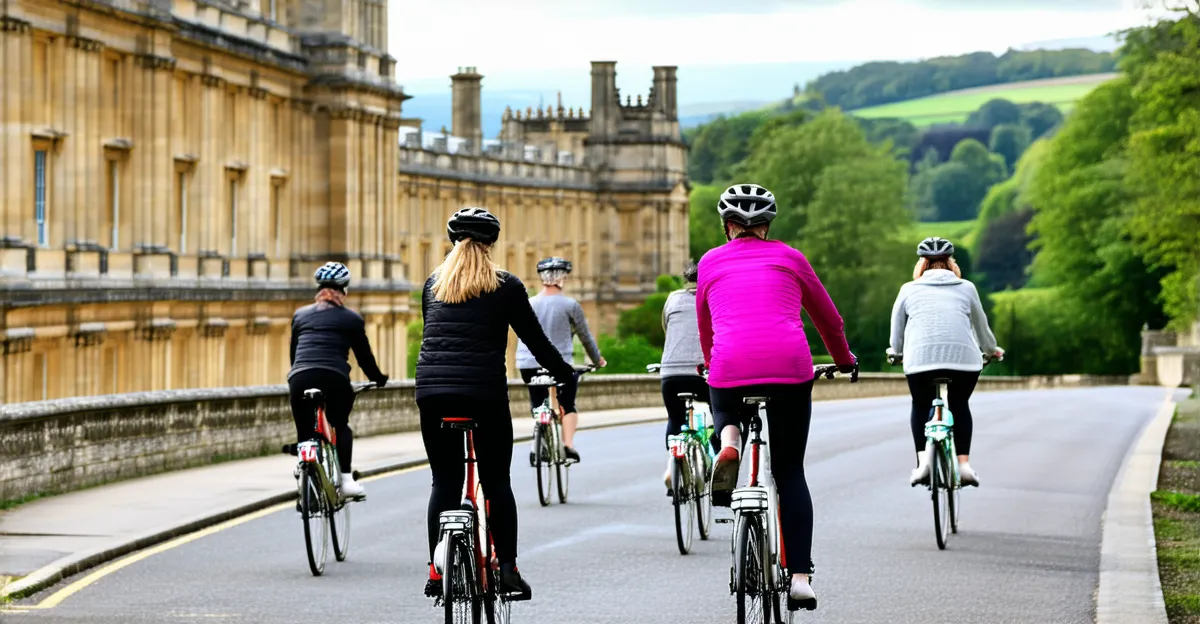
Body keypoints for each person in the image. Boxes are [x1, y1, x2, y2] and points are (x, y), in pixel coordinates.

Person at [697, 183, 857, 609]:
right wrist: (843, 361)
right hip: (789, 367)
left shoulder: (710, 262)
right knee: (789, 472)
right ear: (767, 226)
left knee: (722, 391)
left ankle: (728, 439)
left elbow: (707, 328)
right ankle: (801, 577)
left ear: (728, 226)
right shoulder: (790, 257)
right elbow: (829, 319)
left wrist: (713, 364)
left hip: (731, 365)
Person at [416, 207, 575, 601]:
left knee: (445, 482)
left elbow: (433, 337)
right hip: (483, 393)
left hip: (432, 392)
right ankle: (508, 570)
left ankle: (436, 570)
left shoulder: (433, 284)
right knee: (497, 482)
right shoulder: (506, 285)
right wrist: (565, 372)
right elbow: (536, 343)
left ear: (454, 241)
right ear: (490, 244)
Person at [888, 236, 1003, 488]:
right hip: (964, 361)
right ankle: (963, 466)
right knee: (960, 404)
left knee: (920, 405)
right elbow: (982, 329)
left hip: (919, 360)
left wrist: (895, 352)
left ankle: (922, 464)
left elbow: (896, 334)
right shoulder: (967, 287)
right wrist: (992, 351)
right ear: (951, 263)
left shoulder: (908, 289)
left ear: (922, 264)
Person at [287, 262, 389, 500]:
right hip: (334, 377)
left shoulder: (300, 315)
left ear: (319, 289)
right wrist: (379, 379)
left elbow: (294, 355)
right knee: (340, 425)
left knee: (304, 428)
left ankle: (305, 459)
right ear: (344, 289)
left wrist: (298, 374)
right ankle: (345, 480)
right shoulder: (351, 319)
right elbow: (364, 358)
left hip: (300, 376)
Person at [515, 257, 605, 463]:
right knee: (567, 403)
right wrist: (597, 360)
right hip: (560, 364)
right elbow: (585, 337)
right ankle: (567, 445)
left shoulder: (529, 303)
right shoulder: (570, 305)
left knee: (538, 402)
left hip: (528, 363)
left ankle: (537, 437)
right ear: (563, 278)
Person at [659, 260, 712, 491]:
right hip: (705, 372)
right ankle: (719, 455)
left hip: (671, 372)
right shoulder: (713, 299)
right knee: (722, 413)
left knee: (675, 419)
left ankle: (673, 465)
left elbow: (666, 328)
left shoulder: (672, 298)